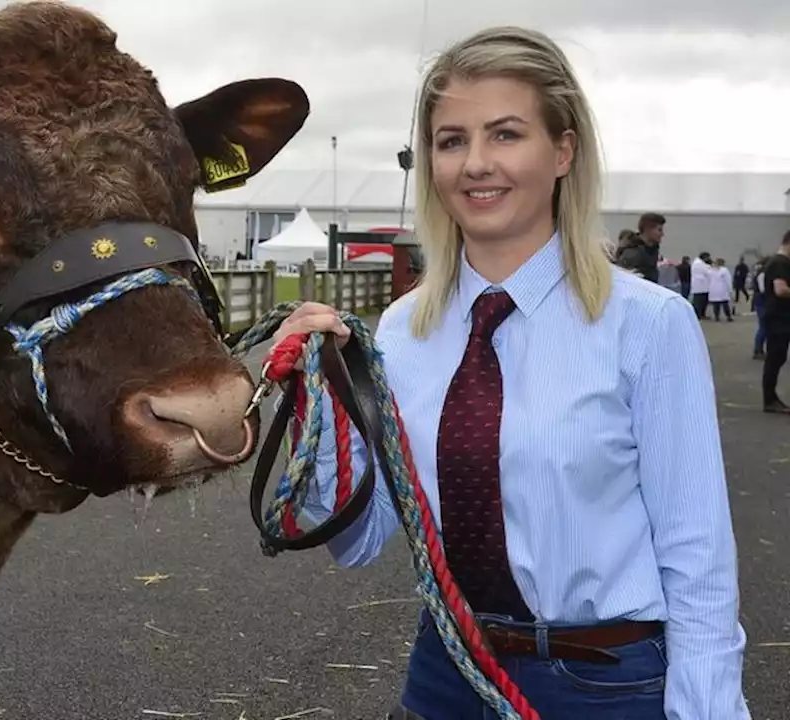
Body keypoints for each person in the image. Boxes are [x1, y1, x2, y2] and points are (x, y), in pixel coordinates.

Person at [272, 25, 749, 719]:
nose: (475, 164)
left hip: (605, 685)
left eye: (505, 135)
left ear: (562, 151)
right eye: (452, 140)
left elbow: (697, 552)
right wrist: (322, 407)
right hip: (446, 672)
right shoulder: (402, 332)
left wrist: (708, 709)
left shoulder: (647, 324)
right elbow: (360, 538)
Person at [761, 231, 790, 414]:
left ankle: (771, 399)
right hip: (779, 318)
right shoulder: (780, 263)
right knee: (775, 358)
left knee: (778, 358)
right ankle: (770, 400)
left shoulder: (780, 262)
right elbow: (781, 290)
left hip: (781, 317)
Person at [615, 213, 664, 283]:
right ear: (647, 229)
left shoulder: (652, 250)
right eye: (659, 230)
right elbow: (620, 278)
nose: (662, 234)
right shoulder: (633, 253)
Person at [753, 258, 768, 360]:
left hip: (761, 302)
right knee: (764, 327)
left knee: (764, 327)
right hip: (762, 303)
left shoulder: (761, 273)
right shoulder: (762, 274)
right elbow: (763, 290)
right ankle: (758, 350)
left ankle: (760, 350)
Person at [690, 252, 713, 319]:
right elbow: (708, 272)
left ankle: (702, 314)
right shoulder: (699, 264)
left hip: (703, 286)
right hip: (700, 286)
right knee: (699, 302)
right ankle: (698, 315)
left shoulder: (700, 263)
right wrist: (710, 266)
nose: (709, 259)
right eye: (708, 257)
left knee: (703, 302)